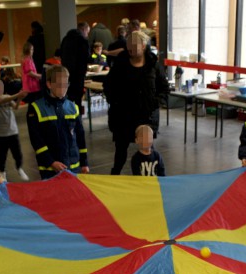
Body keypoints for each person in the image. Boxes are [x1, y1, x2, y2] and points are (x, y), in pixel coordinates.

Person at [103, 30, 168, 175]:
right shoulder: (121, 63)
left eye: (134, 46)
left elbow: (164, 88)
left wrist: (156, 102)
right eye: (128, 46)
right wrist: (114, 101)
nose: (130, 49)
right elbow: (108, 85)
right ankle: (115, 176)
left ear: (143, 45)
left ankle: (154, 177)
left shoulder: (153, 65)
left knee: (148, 148)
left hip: (147, 115)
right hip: (124, 115)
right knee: (120, 149)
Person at [26, 65, 89, 180]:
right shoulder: (36, 108)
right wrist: (51, 162)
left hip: (73, 167)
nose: (63, 88)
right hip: (50, 169)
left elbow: (80, 136)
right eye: (59, 85)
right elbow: (37, 141)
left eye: (66, 84)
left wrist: (84, 162)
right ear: (49, 84)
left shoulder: (73, 107)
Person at [0, 76, 29, 182]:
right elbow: (2, 100)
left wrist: (19, 99)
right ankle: (2, 172)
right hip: (0, 134)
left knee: (18, 154)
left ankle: (19, 168)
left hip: (13, 131)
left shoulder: (8, 96)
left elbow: (16, 107)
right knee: (2, 156)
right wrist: (17, 95)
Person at [60, 22, 91, 109]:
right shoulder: (82, 40)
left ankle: (68, 114)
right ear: (84, 29)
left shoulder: (65, 39)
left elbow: (61, 53)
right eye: (87, 32)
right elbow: (87, 57)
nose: (87, 35)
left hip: (66, 71)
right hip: (78, 73)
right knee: (78, 97)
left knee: (68, 94)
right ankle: (77, 117)